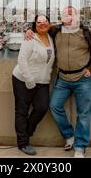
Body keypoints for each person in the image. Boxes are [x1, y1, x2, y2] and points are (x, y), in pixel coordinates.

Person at [25, 6, 91, 158]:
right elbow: (41, 27)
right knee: (54, 106)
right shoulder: (56, 30)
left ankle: (80, 147)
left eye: (71, 14)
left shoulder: (86, 32)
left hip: (82, 79)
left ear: (77, 16)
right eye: (66, 15)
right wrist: (29, 30)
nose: (69, 17)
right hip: (63, 78)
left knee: (84, 113)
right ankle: (69, 136)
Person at [12, 14, 55, 156]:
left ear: (49, 23)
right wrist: (29, 80)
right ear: (35, 25)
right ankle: (23, 143)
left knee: (42, 107)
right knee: (21, 111)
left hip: (42, 82)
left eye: (45, 21)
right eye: (39, 22)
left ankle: (27, 132)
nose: (42, 24)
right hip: (23, 80)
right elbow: (22, 59)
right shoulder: (30, 38)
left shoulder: (50, 37)